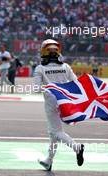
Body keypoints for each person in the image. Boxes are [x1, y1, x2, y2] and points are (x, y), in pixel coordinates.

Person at [33, 39, 84, 171]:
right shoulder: (65, 66)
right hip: (65, 102)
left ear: (43, 51)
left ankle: (76, 147)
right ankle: (49, 161)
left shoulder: (40, 68)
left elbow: (37, 89)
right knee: (53, 133)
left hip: (51, 103)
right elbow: (76, 83)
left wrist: (49, 87)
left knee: (56, 131)